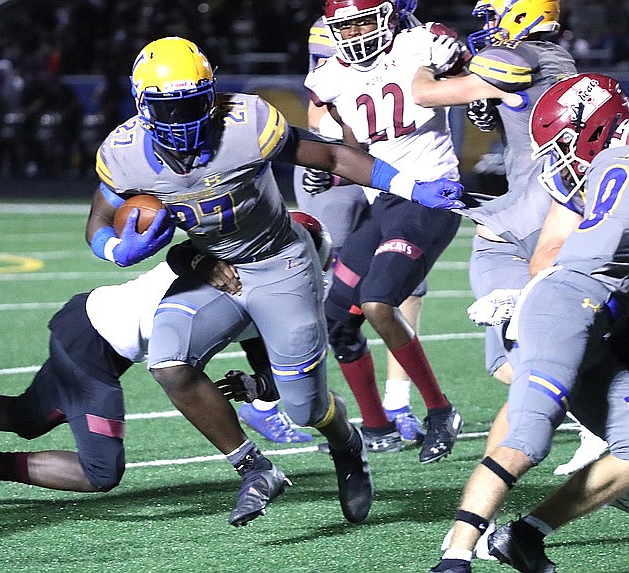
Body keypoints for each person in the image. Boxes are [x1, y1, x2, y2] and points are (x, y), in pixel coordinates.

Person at [86, 36, 464, 527]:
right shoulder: (122, 152)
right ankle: (253, 469)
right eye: (166, 107)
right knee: (169, 362)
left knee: (304, 409)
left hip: (279, 264)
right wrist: (116, 249)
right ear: (142, 104)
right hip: (214, 271)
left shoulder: (246, 124)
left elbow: (329, 158)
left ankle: (347, 443)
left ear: (211, 94)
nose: (181, 120)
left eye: (192, 104)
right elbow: (99, 216)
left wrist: (413, 186)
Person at [0, 216, 332, 527]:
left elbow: (280, 374)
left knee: (28, 418)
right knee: (100, 471)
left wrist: (255, 384)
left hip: (94, 330)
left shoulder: (262, 298)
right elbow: (181, 255)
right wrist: (203, 261)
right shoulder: (233, 268)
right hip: (93, 340)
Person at [412, 0, 603, 532]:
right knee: (507, 366)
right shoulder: (545, 58)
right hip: (517, 214)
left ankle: (477, 513)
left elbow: (424, 93)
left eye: (495, 13)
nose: (488, 25)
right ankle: (597, 418)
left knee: (533, 359)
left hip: (545, 218)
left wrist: (419, 58)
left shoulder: (527, 56)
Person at [430, 72, 629, 573]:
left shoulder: (609, 164)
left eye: (565, 142)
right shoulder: (597, 167)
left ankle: (523, 535)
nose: (561, 157)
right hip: (567, 305)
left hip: (610, 321)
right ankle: (455, 554)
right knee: (530, 434)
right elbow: (548, 257)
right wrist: (529, 300)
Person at [305, 0, 468, 463]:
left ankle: (441, 411)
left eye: (362, 21)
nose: (355, 33)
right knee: (337, 317)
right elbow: (354, 142)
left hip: (428, 199)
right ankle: (377, 428)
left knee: (378, 302)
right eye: (345, 25)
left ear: (386, 17)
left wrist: (457, 60)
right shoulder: (330, 77)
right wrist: (335, 167)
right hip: (383, 204)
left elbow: (474, 74)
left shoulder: (421, 43)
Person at [290, 4, 427, 448]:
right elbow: (322, 112)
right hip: (344, 164)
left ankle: (398, 402)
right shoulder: (341, 26)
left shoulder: (415, 33)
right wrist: (333, 162)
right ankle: (273, 397)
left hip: (396, 168)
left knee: (406, 283)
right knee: (324, 284)